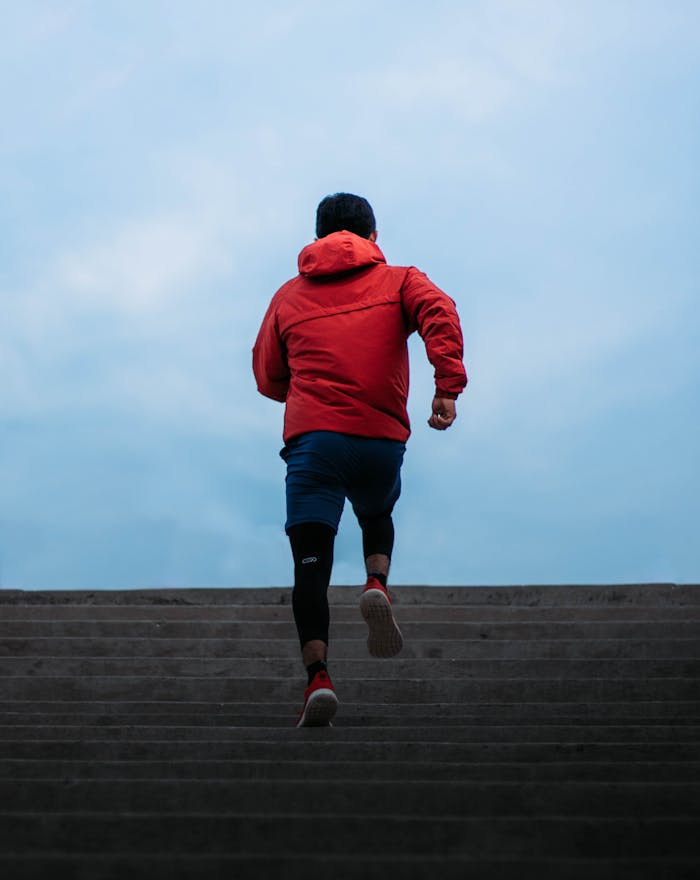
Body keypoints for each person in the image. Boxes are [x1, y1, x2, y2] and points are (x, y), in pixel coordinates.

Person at [253, 193, 467, 727]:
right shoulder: (400, 279)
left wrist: (307, 390)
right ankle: (376, 582)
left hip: (314, 442)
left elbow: (266, 376)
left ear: (319, 236)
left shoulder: (287, 295)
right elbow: (441, 312)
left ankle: (318, 678)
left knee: (310, 564)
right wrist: (447, 386)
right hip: (379, 439)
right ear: (372, 236)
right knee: (375, 511)